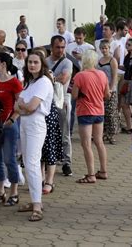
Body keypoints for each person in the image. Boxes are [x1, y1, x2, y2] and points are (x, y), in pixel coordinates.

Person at [16, 51, 54, 222]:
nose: (32, 65)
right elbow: (18, 106)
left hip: (35, 123)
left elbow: (30, 106)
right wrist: (23, 105)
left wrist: (23, 104)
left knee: (32, 163)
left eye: (35, 62)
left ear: (42, 64)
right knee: (29, 163)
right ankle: (34, 200)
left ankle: (37, 205)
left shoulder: (44, 82)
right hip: (25, 122)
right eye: (30, 62)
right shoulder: (30, 82)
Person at [0, 52, 23, 206]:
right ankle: (0, 191)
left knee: (9, 159)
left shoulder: (14, 83)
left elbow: (20, 104)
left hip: (9, 126)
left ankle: (14, 191)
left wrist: (12, 119)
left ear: (3, 64)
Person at [72, 50, 109, 183]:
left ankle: (91, 174)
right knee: (99, 142)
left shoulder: (80, 76)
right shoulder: (102, 74)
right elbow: (107, 95)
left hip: (85, 111)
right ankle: (103, 171)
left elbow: (75, 95)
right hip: (99, 111)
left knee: (86, 144)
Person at [46, 36, 74, 176]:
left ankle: (67, 162)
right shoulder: (45, 62)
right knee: (48, 134)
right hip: (46, 103)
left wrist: (50, 78)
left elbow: (64, 79)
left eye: (63, 47)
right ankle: (48, 161)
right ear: (52, 47)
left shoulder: (67, 62)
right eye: (58, 47)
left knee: (64, 134)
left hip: (61, 101)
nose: (61, 50)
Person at [97, 40, 119, 145]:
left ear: (109, 49)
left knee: (111, 112)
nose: (104, 50)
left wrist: (110, 89)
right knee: (102, 112)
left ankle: (112, 134)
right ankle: (104, 133)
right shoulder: (99, 60)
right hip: (100, 90)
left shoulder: (112, 60)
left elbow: (114, 76)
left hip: (111, 89)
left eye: (106, 48)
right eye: (102, 48)